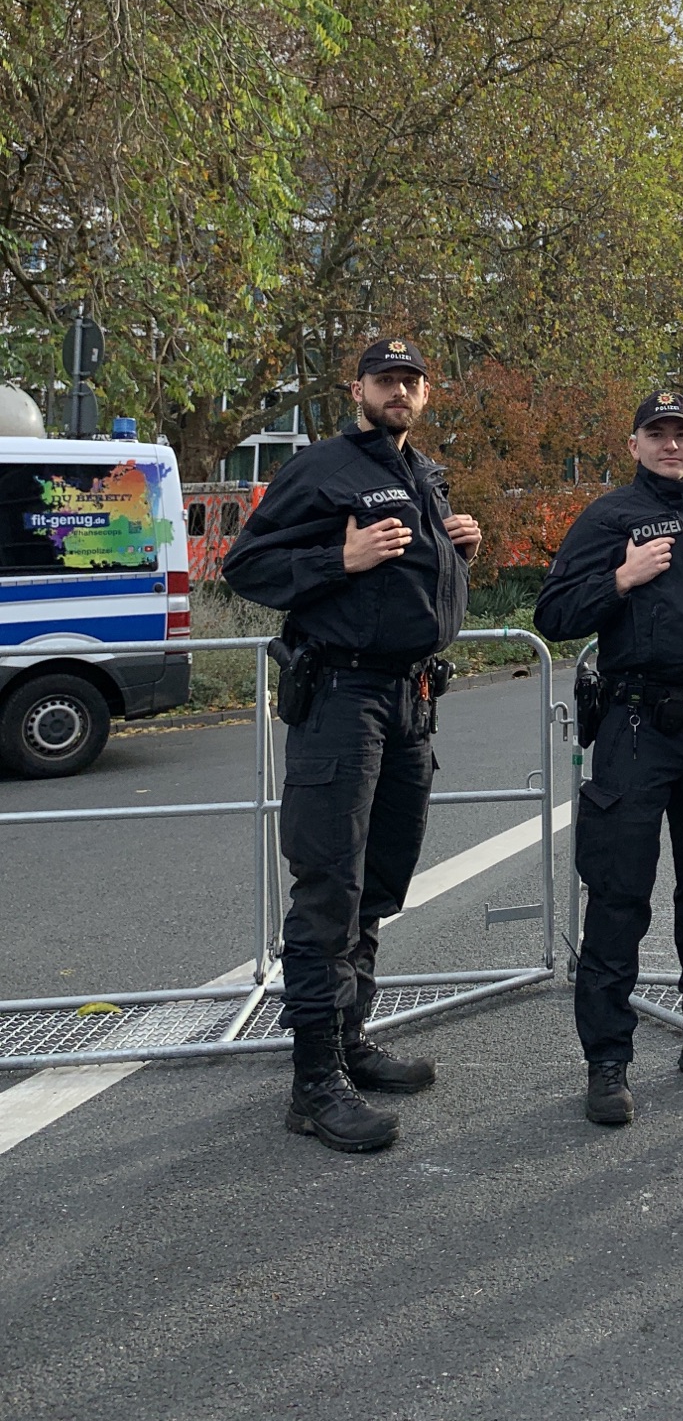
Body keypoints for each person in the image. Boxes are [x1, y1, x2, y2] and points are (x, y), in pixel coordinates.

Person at [223, 338, 482, 1153]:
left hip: (411, 699)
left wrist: (452, 550)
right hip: (343, 697)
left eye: (411, 380)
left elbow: (403, 574)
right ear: (358, 389)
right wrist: (339, 555)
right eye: (385, 380)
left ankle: (349, 1041)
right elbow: (247, 565)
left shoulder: (423, 474)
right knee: (328, 889)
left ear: (425, 393)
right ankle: (314, 1083)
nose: (398, 391)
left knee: (377, 885)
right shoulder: (321, 467)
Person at [534, 391, 683, 1126]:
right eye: (657, 434)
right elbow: (553, 614)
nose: (671, 445)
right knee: (619, 896)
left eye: (682, 434)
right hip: (636, 728)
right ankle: (607, 1061)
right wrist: (620, 578)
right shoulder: (610, 518)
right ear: (635, 444)